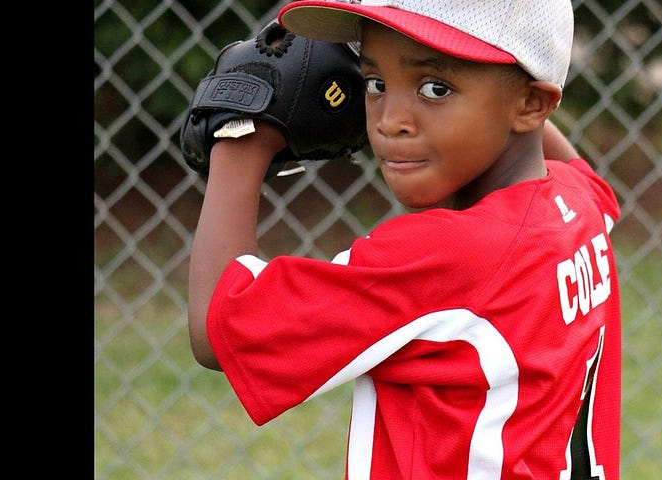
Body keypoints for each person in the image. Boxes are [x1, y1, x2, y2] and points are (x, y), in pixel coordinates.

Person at [186, 0, 622, 478]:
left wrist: (243, 133)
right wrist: (485, 104)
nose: (390, 119)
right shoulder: (578, 207)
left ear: (532, 104)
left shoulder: (448, 256)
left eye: (435, 87)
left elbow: (218, 328)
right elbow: (570, 164)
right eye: (374, 83)